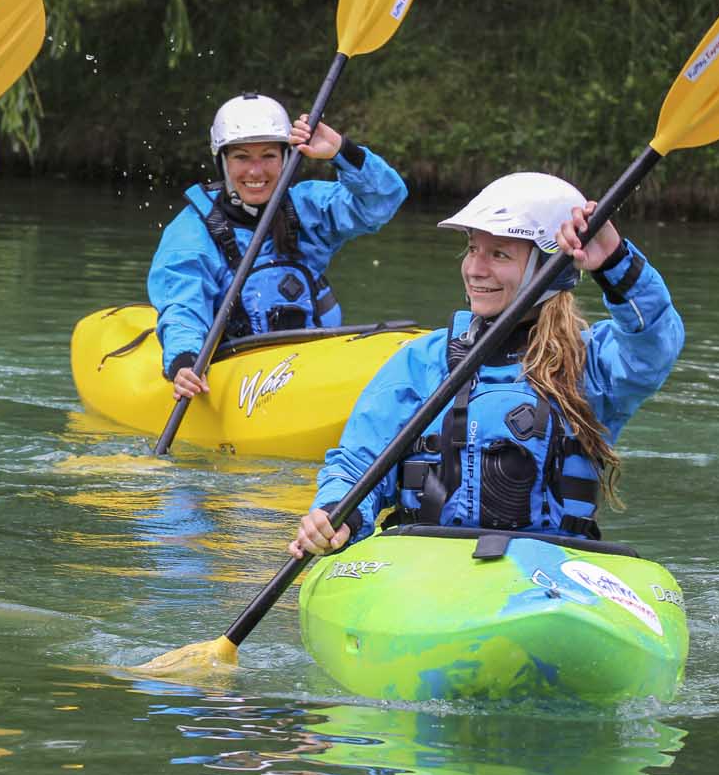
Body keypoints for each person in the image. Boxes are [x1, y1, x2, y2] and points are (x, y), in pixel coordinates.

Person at [288, 172, 685, 556]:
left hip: (549, 574)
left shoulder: (592, 365)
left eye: (499, 254)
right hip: (421, 567)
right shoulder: (420, 361)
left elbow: (655, 343)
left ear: (548, 268)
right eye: (473, 249)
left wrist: (615, 262)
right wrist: (336, 513)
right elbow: (359, 461)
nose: (476, 269)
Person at [147, 91, 408, 401]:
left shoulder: (306, 207)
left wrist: (341, 151)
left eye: (269, 156)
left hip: (312, 361)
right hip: (236, 370)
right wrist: (185, 361)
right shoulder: (192, 232)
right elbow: (183, 306)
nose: (256, 171)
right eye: (242, 157)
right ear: (222, 162)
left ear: (286, 159)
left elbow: (383, 200)